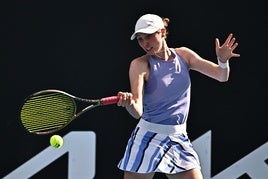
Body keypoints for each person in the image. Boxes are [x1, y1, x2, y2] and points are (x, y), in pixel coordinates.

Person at [116, 14, 240, 179]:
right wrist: (129, 102)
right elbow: (137, 111)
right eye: (140, 39)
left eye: (149, 36)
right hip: (147, 138)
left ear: (163, 32)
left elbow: (221, 76)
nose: (145, 43)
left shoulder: (184, 56)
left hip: (178, 137)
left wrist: (222, 61)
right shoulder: (139, 65)